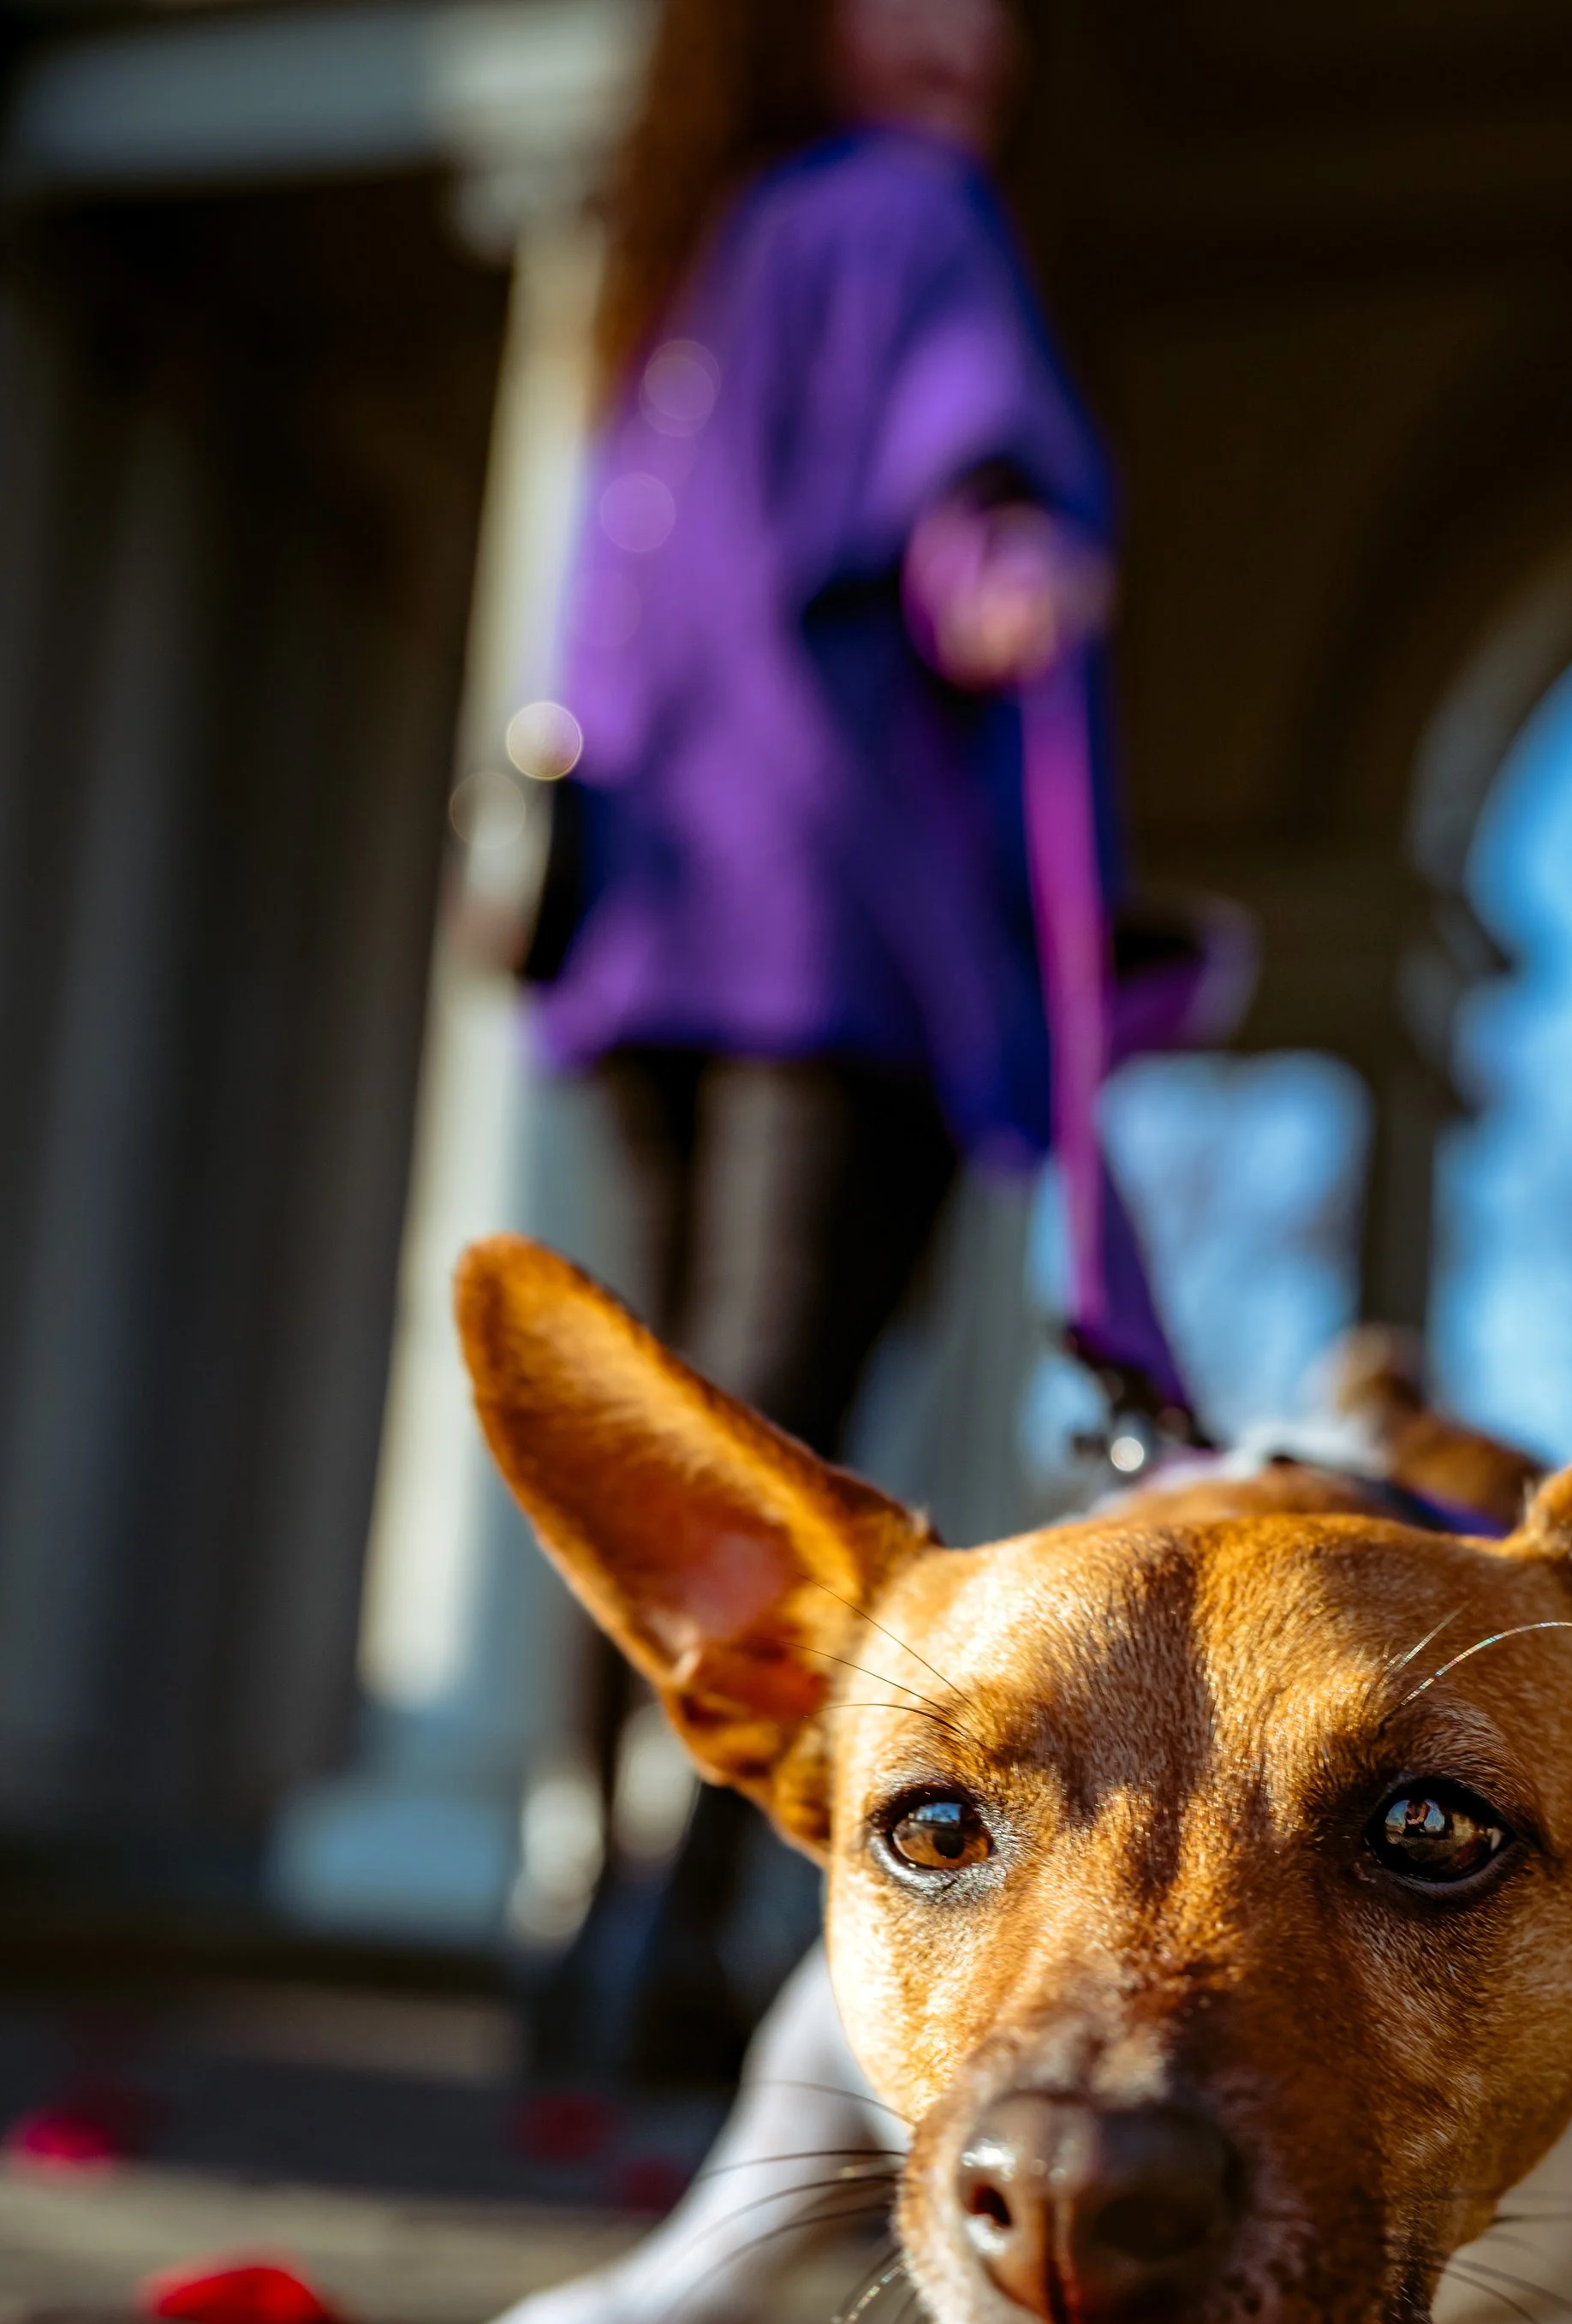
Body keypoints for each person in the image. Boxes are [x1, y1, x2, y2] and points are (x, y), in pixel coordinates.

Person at [521, 0, 1121, 2079]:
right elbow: (968, 472)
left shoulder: (690, 263)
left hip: (660, 909)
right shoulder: (905, 207)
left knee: (659, 1433)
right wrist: (996, 558)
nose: (969, 35)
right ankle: (667, 1935)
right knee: (774, 1445)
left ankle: (588, 1912)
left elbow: (609, 608)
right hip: (834, 932)